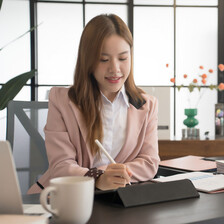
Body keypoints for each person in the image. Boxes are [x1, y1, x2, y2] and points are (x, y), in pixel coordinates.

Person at [28, 14, 160, 194]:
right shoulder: (61, 100)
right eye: (103, 59)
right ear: (87, 60)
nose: (115, 69)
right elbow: (61, 165)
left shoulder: (146, 105)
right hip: (64, 198)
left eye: (122, 58)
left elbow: (149, 162)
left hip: (118, 201)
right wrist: (96, 178)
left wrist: (108, 177)